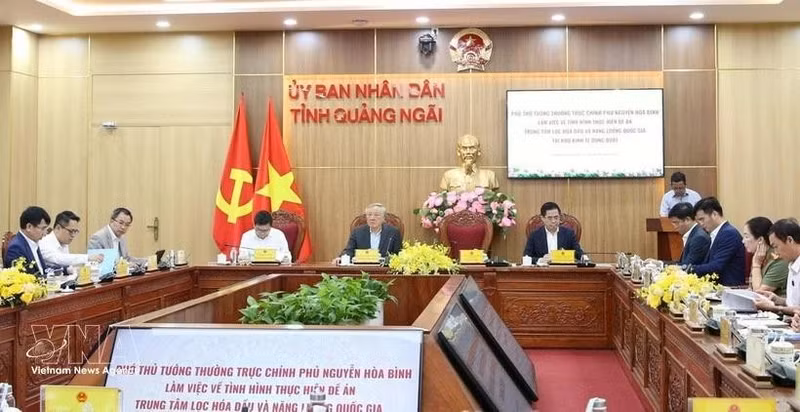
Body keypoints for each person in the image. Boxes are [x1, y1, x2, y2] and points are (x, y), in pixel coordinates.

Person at [687, 197, 745, 286]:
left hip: (729, 289)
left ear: (714, 214)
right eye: (698, 221)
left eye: (702, 219)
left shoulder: (728, 234)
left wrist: (689, 269)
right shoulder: (717, 233)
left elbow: (716, 266)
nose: (701, 224)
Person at [756, 219, 800, 316]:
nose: (775, 252)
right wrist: (778, 300)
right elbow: (794, 303)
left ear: (790, 240)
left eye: (776, 246)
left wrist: (773, 307)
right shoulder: (792, 264)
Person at [40, 211, 104, 270]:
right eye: (71, 231)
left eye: (75, 231)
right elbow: (59, 259)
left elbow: (67, 266)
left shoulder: (63, 242)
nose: (73, 235)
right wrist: (87, 257)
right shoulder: (44, 243)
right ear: (58, 228)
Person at [338, 203, 402, 259]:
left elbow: (398, 254)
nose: (372, 218)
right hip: (362, 268)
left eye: (376, 215)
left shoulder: (393, 232)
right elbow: (349, 251)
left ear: (384, 218)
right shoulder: (357, 232)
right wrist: (341, 258)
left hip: (384, 270)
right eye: (369, 215)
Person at [742, 217, 788, 296]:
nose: (743, 241)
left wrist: (756, 264)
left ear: (760, 240)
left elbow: (759, 293)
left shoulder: (779, 260)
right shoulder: (760, 255)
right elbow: (751, 287)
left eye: (746, 237)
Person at [4, 206, 50, 276]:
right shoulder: (16, 248)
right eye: (43, 228)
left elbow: (42, 271)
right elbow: (24, 279)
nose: (45, 233)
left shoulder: (33, 242)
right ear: (29, 227)